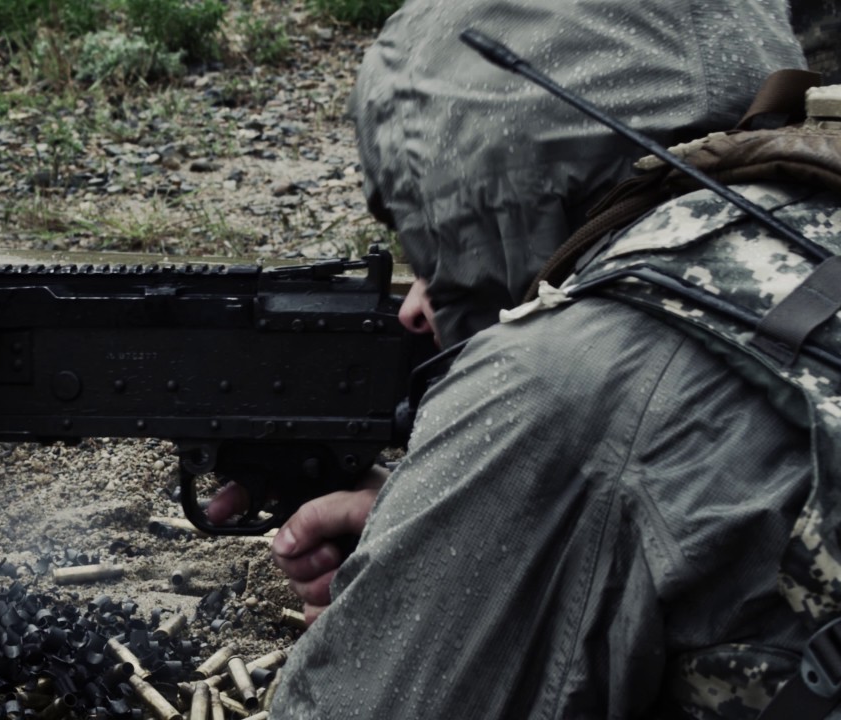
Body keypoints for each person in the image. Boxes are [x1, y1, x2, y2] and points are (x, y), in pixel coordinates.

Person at [204, 0, 841, 717]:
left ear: (509, 191)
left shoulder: (566, 382)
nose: (416, 302)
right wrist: (488, 518)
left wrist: (495, 480)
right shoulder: (811, 204)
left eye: (440, 236)